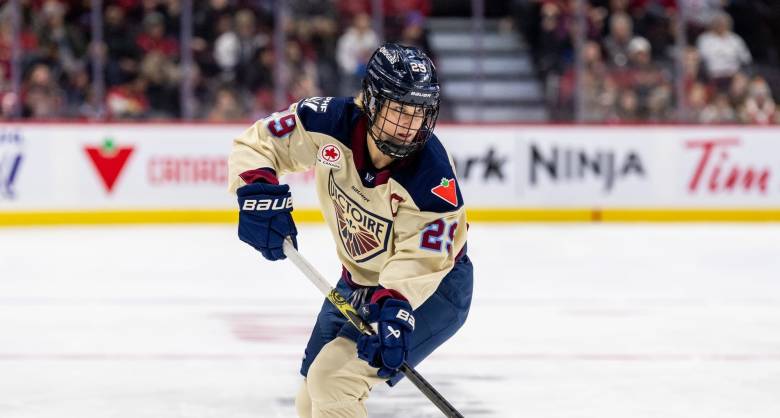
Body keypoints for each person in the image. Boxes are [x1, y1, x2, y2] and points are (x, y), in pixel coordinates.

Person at [228, 43, 472, 417]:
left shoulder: (434, 179)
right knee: (311, 394)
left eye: (418, 114)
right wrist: (255, 191)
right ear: (372, 101)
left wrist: (394, 305)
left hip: (432, 290)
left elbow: (425, 259)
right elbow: (260, 143)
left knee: (335, 382)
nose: (409, 127)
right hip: (358, 281)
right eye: (399, 111)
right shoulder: (328, 122)